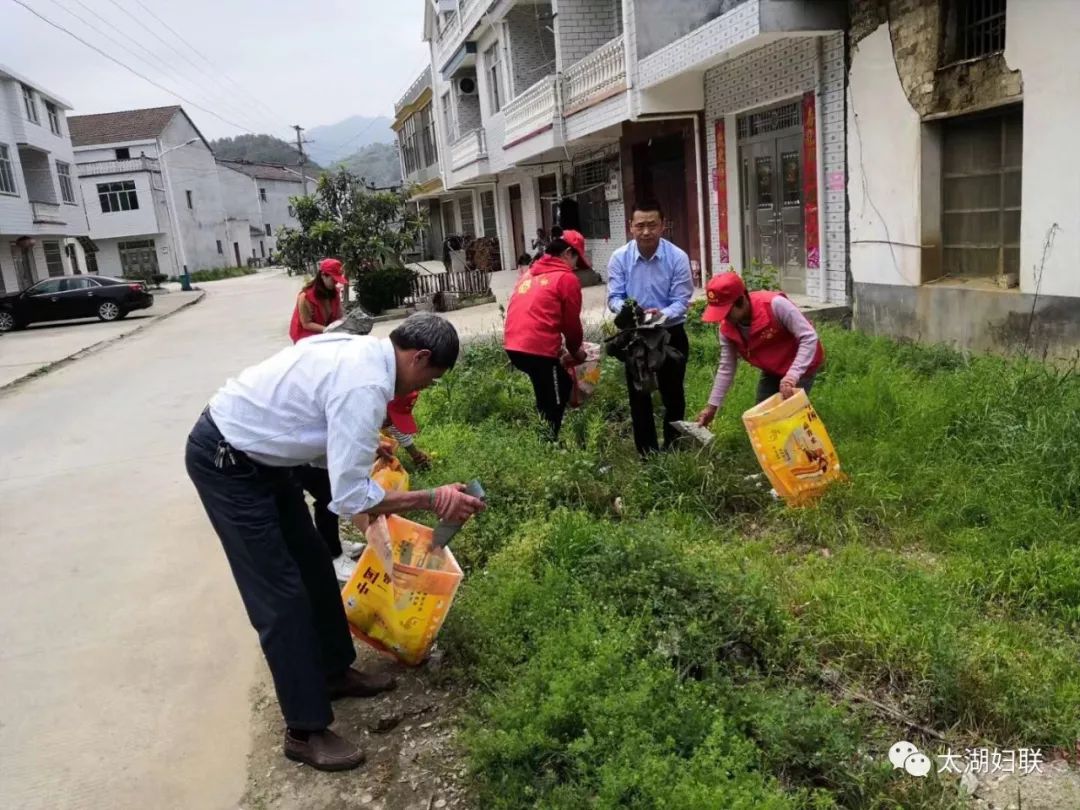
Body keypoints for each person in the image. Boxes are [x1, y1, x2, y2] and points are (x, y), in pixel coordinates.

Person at [185, 313, 485, 773]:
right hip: (227, 462)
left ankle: (331, 671)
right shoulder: (364, 387)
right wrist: (431, 497)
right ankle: (304, 731)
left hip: (264, 458)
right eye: (432, 376)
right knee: (280, 598)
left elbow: (317, 416)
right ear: (420, 357)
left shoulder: (365, 351)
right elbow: (349, 499)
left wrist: (359, 448)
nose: (422, 388)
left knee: (313, 566)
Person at [606, 200, 694, 456]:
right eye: (640, 225)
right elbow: (614, 297)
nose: (646, 232)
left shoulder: (677, 257)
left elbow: (682, 300)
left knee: (673, 395)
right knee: (639, 398)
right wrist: (630, 310)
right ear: (630, 227)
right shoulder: (619, 258)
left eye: (652, 225)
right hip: (636, 337)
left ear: (663, 226)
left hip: (670, 334)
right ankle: (647, 455)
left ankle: (674, 448)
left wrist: (661, 314)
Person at [695, 272, 825, 427]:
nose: (725, 318)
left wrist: (792, 376)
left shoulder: (775, 305)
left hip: (800, 364)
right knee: (762, 418)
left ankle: (804, 448)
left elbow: (809, 337)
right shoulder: (727, 328)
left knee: (789, 417)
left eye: (727, 312)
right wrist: (712, 407)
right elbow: (726, 367)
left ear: (742, 300)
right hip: (772, 368)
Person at [503, 231, 589, 439]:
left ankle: (546, 434)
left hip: (514, 347)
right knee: (556, 398)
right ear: (568, 253)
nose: (576, 266)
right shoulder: (566, 278)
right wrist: (576, 351)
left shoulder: (530, 273)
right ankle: (547, 444)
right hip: (537, 350)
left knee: (552, 386)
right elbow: (571, 325)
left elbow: (532, 314)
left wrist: (557, 347)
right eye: (577, 258)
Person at [290, 258, 346, 342]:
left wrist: (343, 322)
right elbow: (306, 324)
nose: (336, 283)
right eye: (333, 279)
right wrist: (326, 329)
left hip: (326, 332)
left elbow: (339, 315)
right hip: (305, 336)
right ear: (323, 275)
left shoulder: (334, 293)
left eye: (337, 280)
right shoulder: (306, 297)